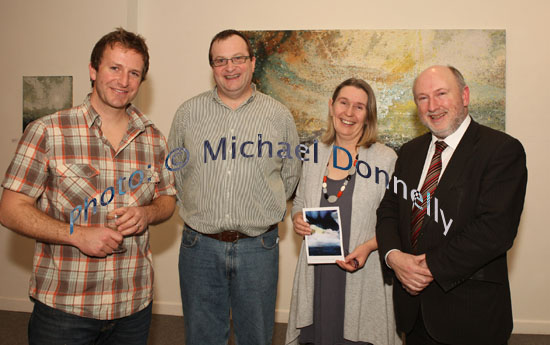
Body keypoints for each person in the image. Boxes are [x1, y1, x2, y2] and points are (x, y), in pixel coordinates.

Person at [0, 28, 176, 345]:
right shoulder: (47, 131)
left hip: (133, 305)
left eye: (134, 73)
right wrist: (78, 234)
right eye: (114, 68)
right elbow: (11, 210)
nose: (124, 81)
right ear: (93, 70)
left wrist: (147, 214)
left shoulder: (154, 139)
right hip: (65, 307)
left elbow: (167, 200)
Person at [376, 65, 527, 345]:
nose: (432, 106)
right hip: (414, 312)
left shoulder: (501, 150)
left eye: (441, 93)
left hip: (471, 316)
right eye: (423, 98)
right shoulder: (409, 153)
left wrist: (427, 267)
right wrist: (393, 256)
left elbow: (495, 230)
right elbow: (388, 211)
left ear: (465, 96)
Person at [168, 29, 301, 345]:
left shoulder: (278, 116)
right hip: (199, 246)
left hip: (258, 246)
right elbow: (175, 174)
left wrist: (260, 204)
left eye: (238, 58)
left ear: (252, 62)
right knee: (202, 337)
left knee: (255, 336)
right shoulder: (188, 114)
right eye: (220, 60)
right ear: (212, 66)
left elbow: (291, 175)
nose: (230, 68)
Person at [285, 78, 401, 345]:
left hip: (363, 271)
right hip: (319, 273)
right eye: (343, 103)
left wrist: (370, 246)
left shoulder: (385, 159)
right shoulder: (316, 153)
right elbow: (301, 201)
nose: (349, 113)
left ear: (368, 115)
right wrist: (297, 218)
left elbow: (396, 221)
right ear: (331, 106)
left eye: (359, 107)